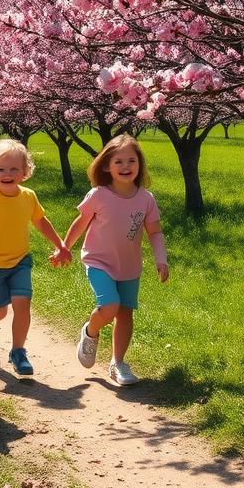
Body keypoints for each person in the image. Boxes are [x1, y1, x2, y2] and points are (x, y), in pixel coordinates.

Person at [51, 134, 169, 386]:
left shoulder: (146, 198)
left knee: (125, 313)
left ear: (140, 164)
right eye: (119, 162)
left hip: (129, 266)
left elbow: (155, 232)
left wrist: (161, 259)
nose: (126, 167)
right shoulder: (99, 195)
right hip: (98, 261)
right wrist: (64, 247)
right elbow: (80, 223)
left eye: (131, 161)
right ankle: (90, 331)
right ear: (106, 165)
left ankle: (118, 362)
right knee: (110, 305)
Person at [0, 138, 64, 376]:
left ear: (25, 171)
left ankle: (18, 351)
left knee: (22, 303)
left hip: (20, 261)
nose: (7, 174)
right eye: (1, 169)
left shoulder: (28, 196)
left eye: (14, 169)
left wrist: (60, 244)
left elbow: (40, 221)